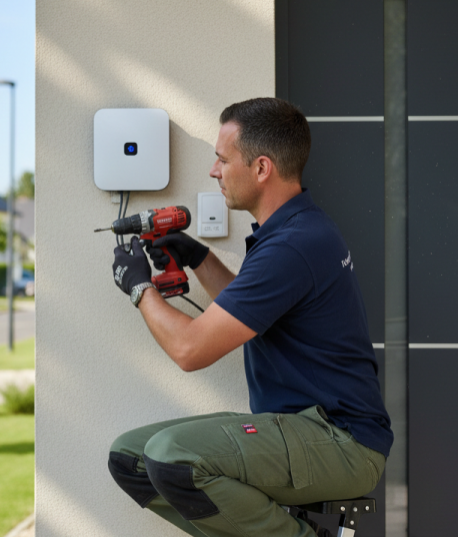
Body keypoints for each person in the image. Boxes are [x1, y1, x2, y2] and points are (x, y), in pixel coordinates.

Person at [108, 97, 392, 537]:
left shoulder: (293, 245)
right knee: (130, 458)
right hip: (300, 429)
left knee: (172, 456)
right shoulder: (294, 232)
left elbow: (189, 350)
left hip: (343, 441)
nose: (213, 171)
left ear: (261, 169)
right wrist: (198, 257)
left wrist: (138, 286)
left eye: (223, 160)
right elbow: (244, 313)